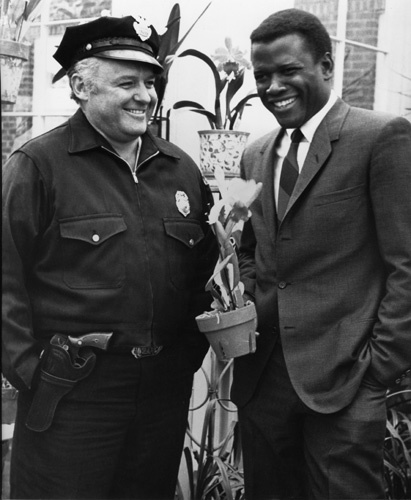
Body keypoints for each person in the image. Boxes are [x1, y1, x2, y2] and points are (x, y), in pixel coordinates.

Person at [2, 14, 218, 500]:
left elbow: (204, 274)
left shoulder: (180, 170)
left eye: (149, 82)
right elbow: (4, 276)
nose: (145, 95)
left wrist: (186, 357)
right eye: (127, 82)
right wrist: (31, 370)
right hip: (73, 391)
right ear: (81, 86)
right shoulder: (38, 165)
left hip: (162, 392)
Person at [230, 8, 411, 500]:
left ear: (326, 67)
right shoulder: (254, 154)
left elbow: (406, 265)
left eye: (288, 71)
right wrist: (243, 302)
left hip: (346, 381)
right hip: (263, 378)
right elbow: (249, 250)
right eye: (262, 75)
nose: (272, 86)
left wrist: (377, 367)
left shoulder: (381, 137)